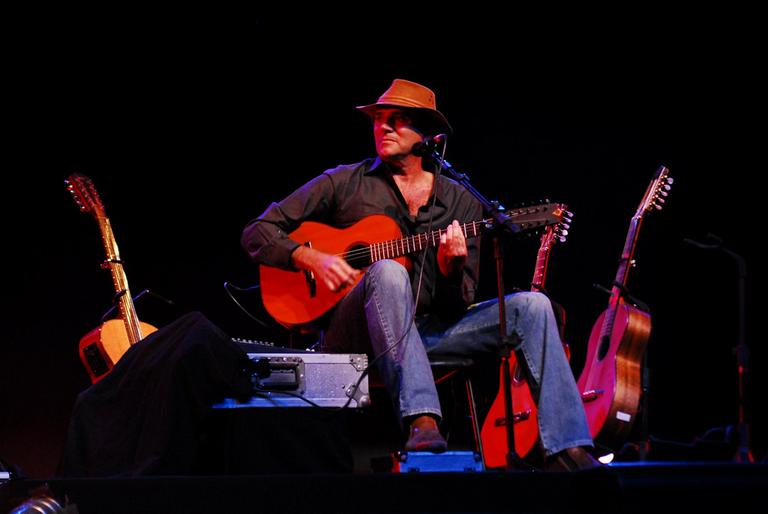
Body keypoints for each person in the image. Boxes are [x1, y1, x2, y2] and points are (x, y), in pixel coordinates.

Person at [241, 79, 601, 471]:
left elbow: (456, 304)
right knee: (387, 272)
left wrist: (452, 270)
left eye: (398, 120)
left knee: (533, 305)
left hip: (428, 335)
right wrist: (308, 259)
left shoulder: (461, 200)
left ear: (429, 136)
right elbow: (257, 231)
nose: (384, 127)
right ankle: (422, 419)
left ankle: (569, 449)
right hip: (356, 338)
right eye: (379, 120)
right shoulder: (345, 183)